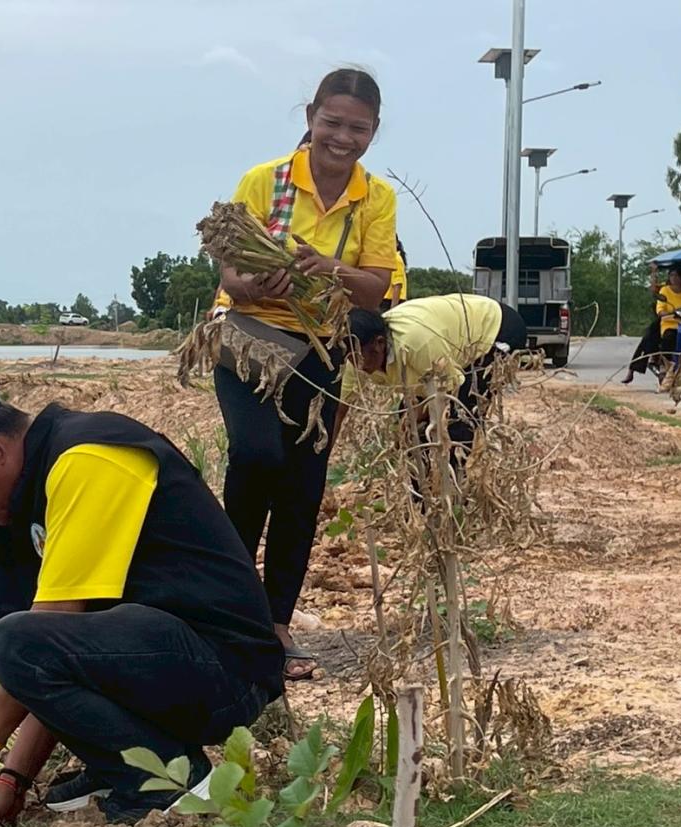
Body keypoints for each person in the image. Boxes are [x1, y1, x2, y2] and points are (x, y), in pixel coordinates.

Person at [0, 381, 282, 827]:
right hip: (159, 652)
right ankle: (128, 763)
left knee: (17, 636)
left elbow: (46, 632)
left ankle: (170, 782)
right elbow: (59, 653)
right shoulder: (33, 495)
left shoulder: (88, 456)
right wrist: (13, 781)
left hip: (225, 670)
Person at [208, 67, 396, 681]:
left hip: (320, 348)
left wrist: (326, 268)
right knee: (257, 456)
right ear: (310, 116)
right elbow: (230, 276)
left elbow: (375, 285)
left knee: (302, 487)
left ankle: (277, 627)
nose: (344, 138)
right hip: (250, 343)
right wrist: (261, 280)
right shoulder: (265, 182)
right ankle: (230, 616)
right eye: (332, 123)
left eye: (358, 129)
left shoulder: (376, 198)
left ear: (374, 131)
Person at [332, 293, 527, 446]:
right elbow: (339, 411)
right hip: (446, 346)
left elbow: (450, 391)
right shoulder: (353, 357)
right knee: (408, 431)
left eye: (359, 357)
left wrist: (418, 417)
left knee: (459, 423)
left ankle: (460, 493)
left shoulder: (416, 343)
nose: (356, 365)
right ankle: (422, 495)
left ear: (379, 344)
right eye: (349, 357)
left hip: (495, 328)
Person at [623, 266, 681, 384]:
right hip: (669, 322)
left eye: (677, 275)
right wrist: (653, 271)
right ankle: (660, 366)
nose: (674, 278)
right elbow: (659, 308)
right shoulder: (664, 290)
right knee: (655, 340)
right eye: (672, 275)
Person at [381, 237, 408, 310]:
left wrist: (392, 309)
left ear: (396, 244)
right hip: (386, 300)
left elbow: (397, 285)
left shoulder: (396, 259)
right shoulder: (388, 259)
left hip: (391, 301)